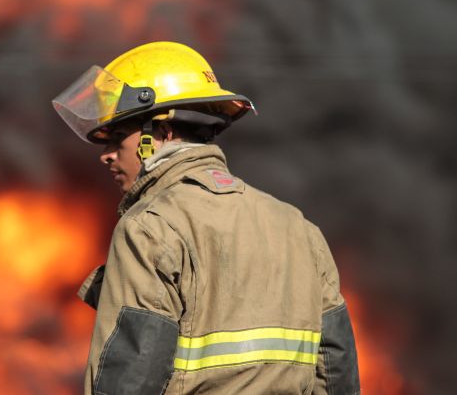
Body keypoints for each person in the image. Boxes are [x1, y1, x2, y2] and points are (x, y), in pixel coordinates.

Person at [52, 41, 360, 395]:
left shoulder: (150, 228)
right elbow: (336, 374)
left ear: (161, 133)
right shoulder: (299, 228)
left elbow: (129, 378)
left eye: (118, 138)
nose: (105, 156)